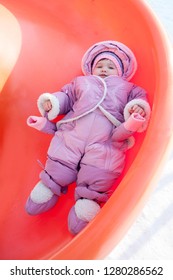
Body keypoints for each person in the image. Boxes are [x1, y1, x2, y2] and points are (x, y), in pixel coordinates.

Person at [25, 40, 151, 235]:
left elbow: (140, 100)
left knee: (100, 169)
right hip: (73, 132)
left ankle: (87, 202)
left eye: (110, 66)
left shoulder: (128, 88)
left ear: (121, 72)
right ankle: (49, 185)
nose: (104, 70)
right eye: (99, 65)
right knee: (61, 159)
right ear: (91, 69)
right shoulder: (80, 83)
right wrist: (53, 102)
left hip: (106, 140)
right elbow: (65, 97)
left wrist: (136, 108)